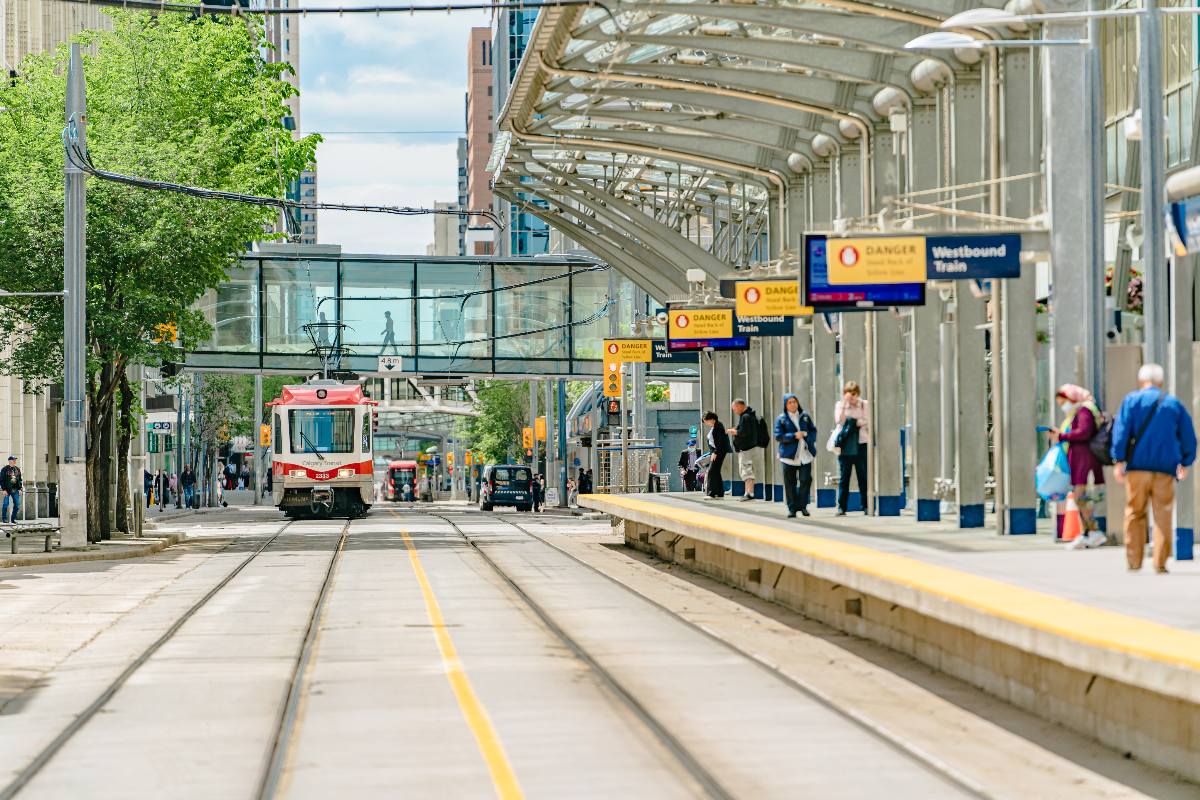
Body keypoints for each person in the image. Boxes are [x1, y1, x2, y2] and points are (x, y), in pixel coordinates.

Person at [1110, 363, 1197, 574]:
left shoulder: (1131, 401)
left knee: (1134, 512)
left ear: (1141, 381)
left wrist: (1119, 460)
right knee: (1163, 514)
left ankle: (1134, 561)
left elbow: (1121, 432)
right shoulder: (1173, 404)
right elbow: (1188, 437)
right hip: (1165, 471)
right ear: (1161, 382)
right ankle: (1160, 562)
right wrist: (1185, 462)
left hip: (1137, 469)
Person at [1049, 384, 1107, 548]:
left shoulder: (1084, 410)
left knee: (1080, 497)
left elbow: (1084, 432)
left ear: (1072, 397)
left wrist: (1062, 436)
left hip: (1084, 461)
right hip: (1080, 461)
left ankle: (1093, 532)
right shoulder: (1080, 411)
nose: (1063, 406)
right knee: (1080, 497)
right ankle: (1087, 532)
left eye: (1064, 402)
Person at [775, 394, 818, 518]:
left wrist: (808, 436)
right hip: (788, 457)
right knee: (790, 483)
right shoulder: (782, 419)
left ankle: (802, 506)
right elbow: (778, 436)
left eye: (794, 401)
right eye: (790, 402)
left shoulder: (805, 417)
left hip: (805, 455)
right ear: (786, 405)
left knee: (806, 480)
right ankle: (792, 509)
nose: (793, 404)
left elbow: (813, 431)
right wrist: (794, 436)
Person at [834, 380, 870, 516]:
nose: (852, 397)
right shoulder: (840, 405)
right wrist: (845, 406)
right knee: (844, 477)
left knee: (863, 476)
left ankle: (866, 505)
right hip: (846, 445)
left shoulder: (864, 404)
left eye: (854, 394)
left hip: (861, 443)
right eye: (849, 393)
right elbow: (839, 421)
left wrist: (852, 422)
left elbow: (867, 421)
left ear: (858, 393)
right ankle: (842, 507)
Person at [730, 399, 762, 501]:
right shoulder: (750, 416)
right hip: (750, 448)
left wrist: (734, 431)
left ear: (739, 406)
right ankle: (748, 492)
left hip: (746, 449)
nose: (734, 411)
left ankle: (749, 493)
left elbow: (744, 432)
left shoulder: (745, 417)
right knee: (748, 470)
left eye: (734, 408)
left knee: (746, 471)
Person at [702, 411, 731, 499]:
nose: (706, 423)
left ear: (711, 419)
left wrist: (715, 452)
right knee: (716, 472)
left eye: (706, 421)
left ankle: (712, 493)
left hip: (718, 452)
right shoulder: (715, 426)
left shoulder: (718, 426)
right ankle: (719, 493)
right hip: (716, 452)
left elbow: (720, 441)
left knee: (711, 471)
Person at [0, 456, 22, 523]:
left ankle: (13, 519)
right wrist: (4, 489)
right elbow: (1, 480)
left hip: (15, 489)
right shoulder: (4, 469)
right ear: (10, 461)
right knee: (5, 504)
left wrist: (20, 489)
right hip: (7, 490)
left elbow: (19, 480)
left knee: (17, 505)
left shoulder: (17, 469)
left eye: (15, 460)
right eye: (13, 460)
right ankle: (4, 519)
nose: (15, 461)